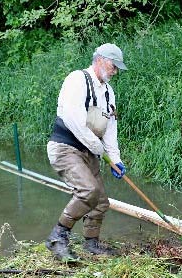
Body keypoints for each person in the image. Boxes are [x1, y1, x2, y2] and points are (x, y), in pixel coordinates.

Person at [45, 43, 127, 261]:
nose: (115, 71)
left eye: (117, 68)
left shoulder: (109, 93)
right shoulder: (77, 80)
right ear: (99, 60)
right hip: (65, 148)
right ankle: (57, 238)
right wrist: (98, 149)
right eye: (113, 66)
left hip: (89, 151)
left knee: (100, 202)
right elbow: (75, 121)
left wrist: (115, 160)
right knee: (88, 190)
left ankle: (91, 243)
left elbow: (110, 131)